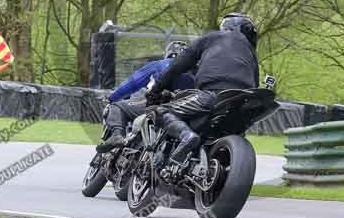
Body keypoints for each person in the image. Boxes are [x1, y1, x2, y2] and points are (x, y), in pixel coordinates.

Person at [146, 13, 259, 164]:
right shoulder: (250, 51)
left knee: (160, 112)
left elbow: (178, 65)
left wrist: (156, 89)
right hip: (242, 103)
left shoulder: (211, 38)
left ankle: (186, 135)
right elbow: (256, 82)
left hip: (212, 95)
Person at [96, 41, 194, 153]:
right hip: (186, 108)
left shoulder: (160, 64)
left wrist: (112, 97)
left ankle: (117, 135)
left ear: (168, 53)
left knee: (116, 107)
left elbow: (132, 83)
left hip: (158, 104)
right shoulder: (195, 71)